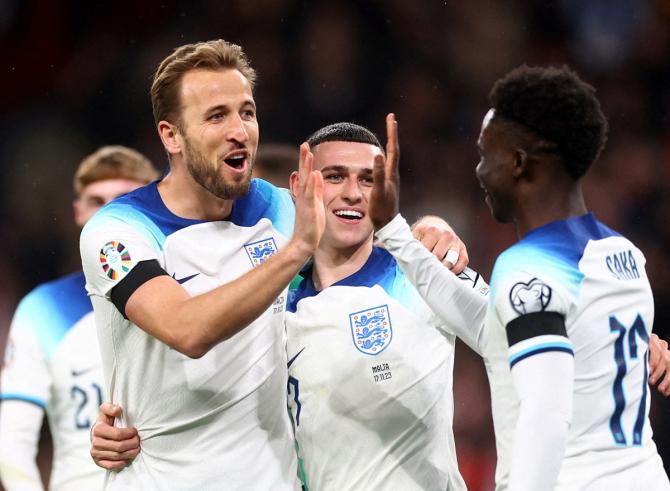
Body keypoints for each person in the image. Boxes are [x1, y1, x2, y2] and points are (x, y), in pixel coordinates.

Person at [368, 68, 670, 490]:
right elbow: (491, 332)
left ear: (518, 163)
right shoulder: (623, 255)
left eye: (484, 154)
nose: (478, 171)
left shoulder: (528, 268)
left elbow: (545, 414)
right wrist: (395, 232)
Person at [78, 39, 329, 490]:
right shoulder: (116, 231)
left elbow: (368, 258)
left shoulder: (281, 208)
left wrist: (429, 233)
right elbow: (188, 331)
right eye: (217, 116)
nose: (240, 131)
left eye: (246, 112)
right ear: (170, 135)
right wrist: (295, 251)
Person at [284, 121, 489, 490]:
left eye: (367, 180)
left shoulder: (424, 269)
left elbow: (509, 334)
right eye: (334, 177)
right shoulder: (276, 306)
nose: (353, 193)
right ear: (298, 187)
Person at [0, 145, 159, 491]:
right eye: (96, 201)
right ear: (77, 212)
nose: (107, 213)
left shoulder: (188, 301)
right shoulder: (42, 309)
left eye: (123, 198)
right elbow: (11, 440)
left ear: (151, 209)